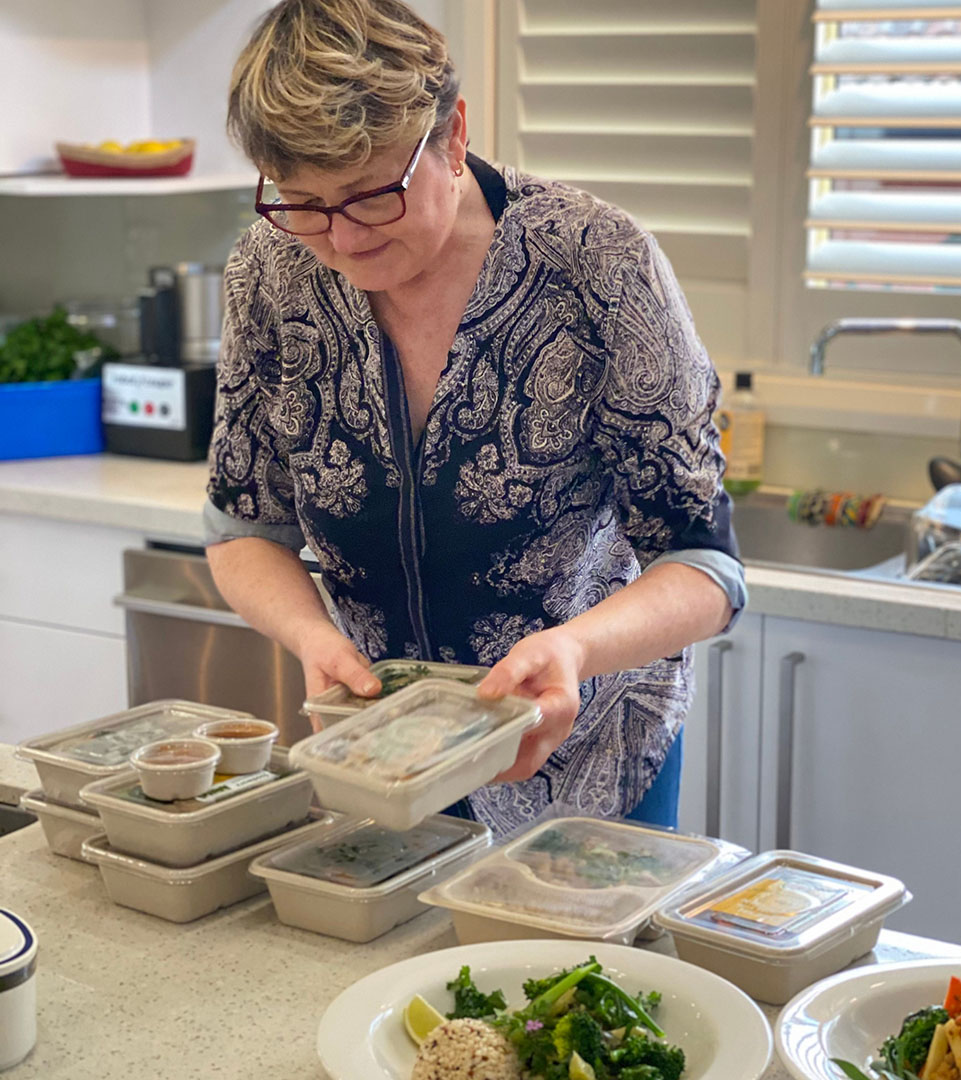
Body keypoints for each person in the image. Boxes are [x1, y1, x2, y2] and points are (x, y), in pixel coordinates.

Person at [204, 0, 746, 836]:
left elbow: (705, 565)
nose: (342, 240)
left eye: (369, 195)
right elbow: (243, 528)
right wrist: (312, 638)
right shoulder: (270, 272)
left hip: (584, 752)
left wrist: (574, 650)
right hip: (385, 758)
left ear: (452, 135)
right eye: (303, 201)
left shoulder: (599, 265)